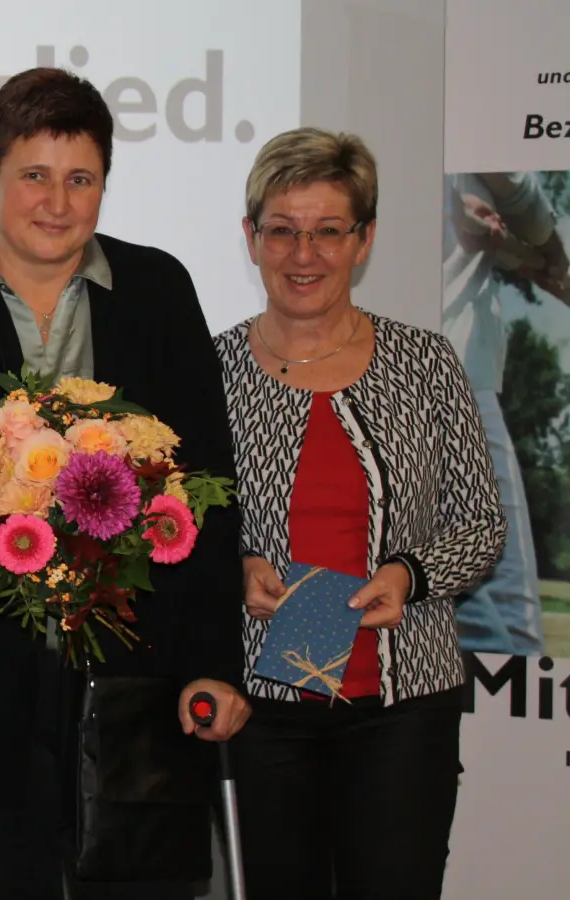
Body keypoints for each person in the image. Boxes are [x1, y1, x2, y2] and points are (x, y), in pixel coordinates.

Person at [0, 67, 248, 899]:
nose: (57, 202)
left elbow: (208, 487)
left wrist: (215, 665)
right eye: (34, 175)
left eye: (82, 179)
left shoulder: (160, 293)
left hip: (136, 699)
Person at [216, 127, 508, 899]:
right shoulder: (210, 371)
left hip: (402, 709)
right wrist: (233, 564)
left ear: (364, 240)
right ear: (251, 239)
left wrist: (409, 575)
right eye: (282, 230)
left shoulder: (426, 362)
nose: (302, 254)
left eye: (327, 231)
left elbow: (482, 525)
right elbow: (177, 525)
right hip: (264, 708)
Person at [441, 170, 568, 655]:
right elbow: (510, 182)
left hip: (354, 379)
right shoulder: (467, 117)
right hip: (452, 379)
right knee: (509, 626)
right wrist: (548, 242)